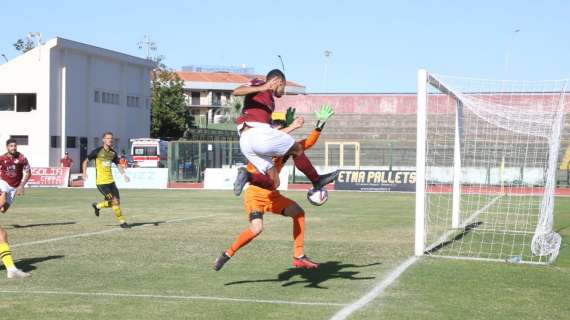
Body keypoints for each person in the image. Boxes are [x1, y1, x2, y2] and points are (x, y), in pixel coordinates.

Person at [214, 106, 334, 271]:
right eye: (275, 126)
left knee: (298, 213)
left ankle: (298, 256)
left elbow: (308, 142)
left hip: (272, 195)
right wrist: (292, 126)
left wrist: (320, 124)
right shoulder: (261, 143)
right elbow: (279, 136)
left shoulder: (284, 147)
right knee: (256, 229)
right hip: (255, 193)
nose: (277, 130)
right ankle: (228, 253)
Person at [232, 69, 338, 196]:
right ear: (279, 81)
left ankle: (247, 176)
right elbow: (236, 91)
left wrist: (292, 126)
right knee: (298, 149)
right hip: (256, 133)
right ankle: (316, 180)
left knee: (274, 182)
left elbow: (269, 135)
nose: (283, 91)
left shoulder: (268, 101)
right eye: (284, 86)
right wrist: (264, 86)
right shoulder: (260, 84)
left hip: (247, 141)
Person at [82, 132, 131, 228]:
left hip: (111, 182)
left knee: (116, 202)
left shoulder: (113, 153)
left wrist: (124, 175)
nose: (110, 140)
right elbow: (85, 161)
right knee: (115, 201)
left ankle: (97, 206)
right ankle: (122, 222)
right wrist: (84, 172)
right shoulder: (97, 151)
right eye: (108, 138)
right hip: (102, 183)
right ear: (103, 140)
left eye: (111, 138)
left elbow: (118, 164)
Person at [0, 138, 32, 279]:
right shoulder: (2, 159)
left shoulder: (21, 158)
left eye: (15, 145)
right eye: (11, 145)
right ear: (7, 147)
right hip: (5, 186)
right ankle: (11, 270)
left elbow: (28, 172)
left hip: (13, 187)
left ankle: (11, 269)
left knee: (2, 229)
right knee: (2, 235)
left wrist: (21, 185)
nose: (13, 147)